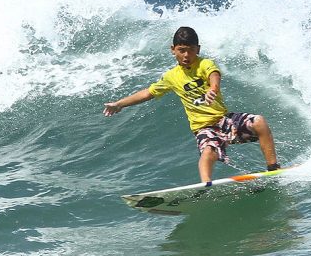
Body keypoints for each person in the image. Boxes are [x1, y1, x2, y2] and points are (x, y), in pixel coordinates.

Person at [103, 26, 280, 183]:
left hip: (223, 120)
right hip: (203, 127)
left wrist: (213, 88)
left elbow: (214, 75)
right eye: (181, 50)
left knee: (259, 122)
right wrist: (120, 104)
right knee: (208, 151)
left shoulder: (205, 64)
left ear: (198, 49)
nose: (186, 55)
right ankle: (206, 186)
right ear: (173, 50)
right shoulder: (171, 76)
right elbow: (148, 92)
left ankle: (273, 170)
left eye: (191, 50)